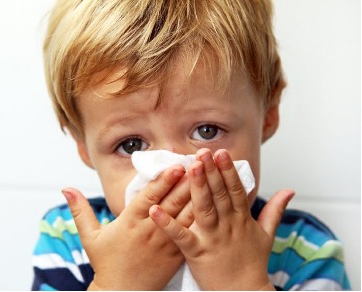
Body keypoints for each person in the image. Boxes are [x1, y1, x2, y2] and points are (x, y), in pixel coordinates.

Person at [32, 0, 351, 290]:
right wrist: (116, 284)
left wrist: (242, 283)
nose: (173, 171)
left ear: (267, 116)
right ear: (84, 147)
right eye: (131, 145)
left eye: (208, 131)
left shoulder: (305, 252)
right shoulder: (68, 244)